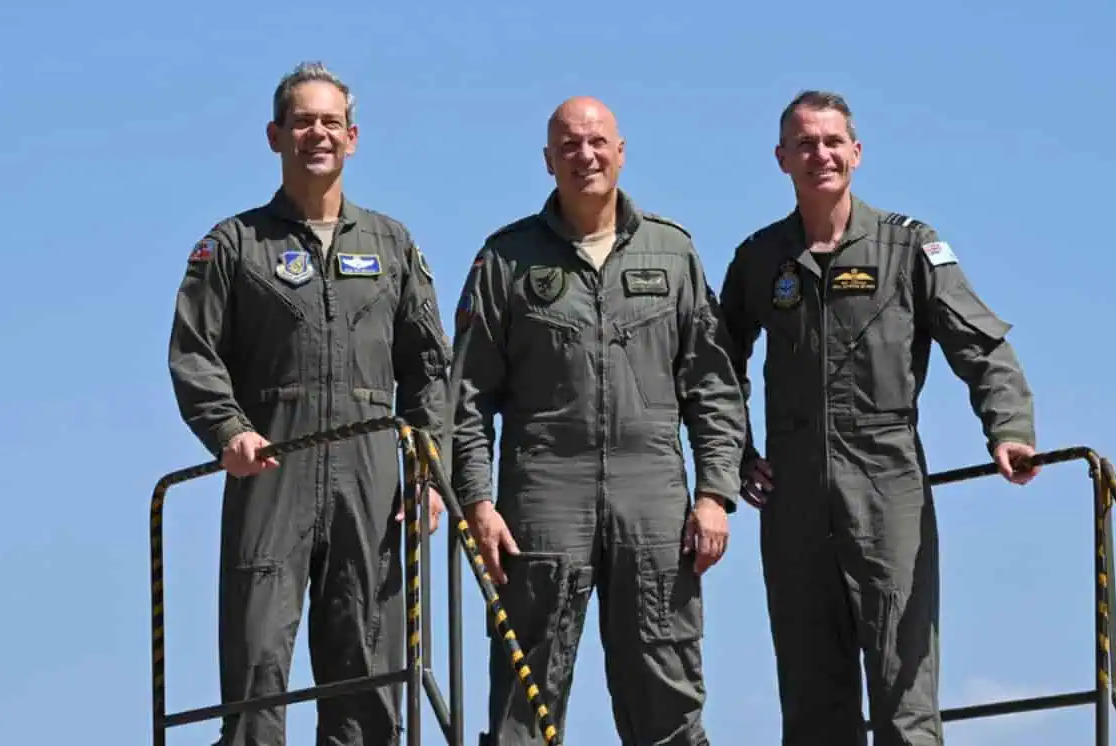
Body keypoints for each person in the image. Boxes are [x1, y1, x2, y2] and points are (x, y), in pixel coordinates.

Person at [717, 90, 1041, 746]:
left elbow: (980, 345)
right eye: (805, 143)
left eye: (833, 141)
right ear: (782, 158)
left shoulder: (908, 247)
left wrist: (1007, 428)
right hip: (794, 497)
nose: (821, 155)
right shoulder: (759, 260)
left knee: (903, 692)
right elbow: (714, 371)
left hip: (886, 482)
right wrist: (737, 459)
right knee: (811, 702)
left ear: (857, 153)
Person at [449, 95, 748, 746]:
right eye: (569, 145)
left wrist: (715, 495)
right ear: (548, 160)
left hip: (654, 498)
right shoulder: (505, 261)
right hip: (542, 496)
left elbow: (713, 385)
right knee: (524, 702)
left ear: (620, 151)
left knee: (666, 691)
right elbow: (465, 397)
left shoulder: (673, 253)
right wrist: (476, 499)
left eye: (597, 142)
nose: (585, 155)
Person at [167, 61, 450, 746]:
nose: (316, 134)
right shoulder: (234, 245)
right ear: (275, 136)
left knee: (368, 661)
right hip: (272, 471)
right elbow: (193, 352)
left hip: (372, 481)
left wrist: (428, 470)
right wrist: (228, 432)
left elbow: (431, 370)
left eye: (330, 122)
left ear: (352, 137)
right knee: (258, 659)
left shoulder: (392, 244)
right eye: (302, 122)